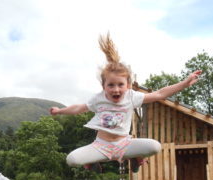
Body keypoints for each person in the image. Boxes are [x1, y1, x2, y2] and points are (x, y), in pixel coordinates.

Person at [50, 33, 202, 172]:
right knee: (72, 160)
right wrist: (60, 111)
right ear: (104, 86)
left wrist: (184, 83)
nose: (116, 90)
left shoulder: (131, 96)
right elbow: (78, 108)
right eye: (111, 85)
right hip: (101, 146)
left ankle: (135, 157)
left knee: (155, 146)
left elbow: (159, 94)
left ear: (128, 85)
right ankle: (94, 162)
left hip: (124, 144)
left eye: (120, 85)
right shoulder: (99, 98)